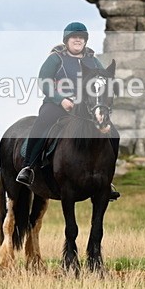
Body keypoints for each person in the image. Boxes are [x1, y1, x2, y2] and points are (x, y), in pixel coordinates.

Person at [16, 22, 120, 200]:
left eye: (81, 38)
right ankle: (28, 167)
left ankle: (106, 179)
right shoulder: (56, 59)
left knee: (114, 134)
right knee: (42, 123)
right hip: (56, 105)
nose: (78, 40)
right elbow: (43, 81)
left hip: (84, 109)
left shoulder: (93, 60)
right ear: (67, 40)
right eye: (74, 37)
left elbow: (103, 82)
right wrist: (61, 100)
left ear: (85, 41)